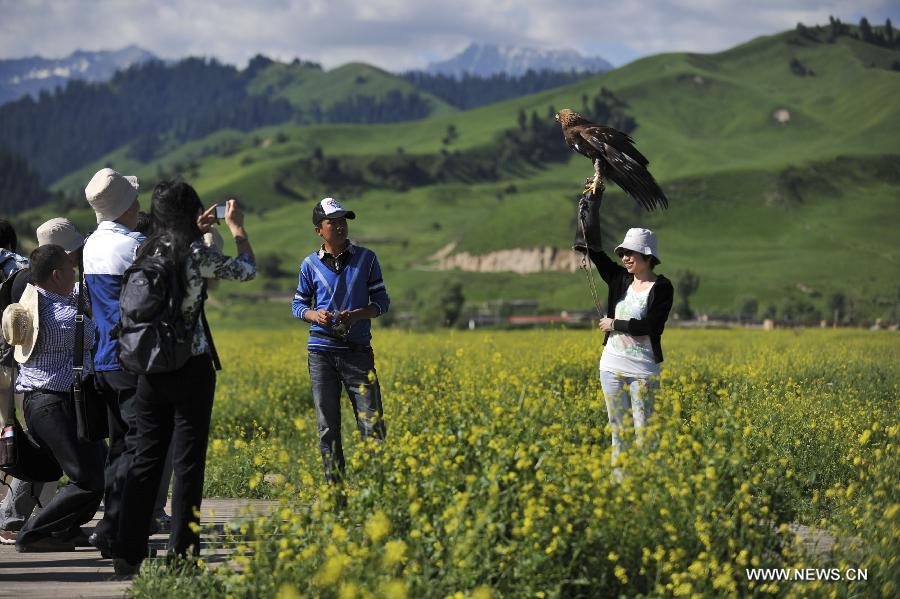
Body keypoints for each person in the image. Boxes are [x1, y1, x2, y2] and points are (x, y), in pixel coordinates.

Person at [113, 182, 255, 574]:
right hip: (190, 368)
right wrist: (238, 230)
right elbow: (245, 271)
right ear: (189, 212)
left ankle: (127, 553)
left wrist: (196, 227)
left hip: (149, 368)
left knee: (145, 460)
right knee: (187, 464)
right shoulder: (193, 254)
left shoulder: (146, 250)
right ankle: (181, 557)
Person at [5, 245, 105, 552]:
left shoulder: (38, 301)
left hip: (39, 403)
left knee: (99, 465)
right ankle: (33, 534)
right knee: (86, 478)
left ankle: (66, 529)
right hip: (55, 404)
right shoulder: (62, 320)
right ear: (57, 275)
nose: (75, 274)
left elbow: (76, 293)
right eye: (70, 269)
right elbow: (99, 334)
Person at [292, 197, 390, 483]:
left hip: (358, 352)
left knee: (372, 423)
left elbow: (382, 301)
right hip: (321, 353)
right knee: (327, 427)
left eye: (342, 221)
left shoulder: (367, 259)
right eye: (332, 222)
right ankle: (336, 494)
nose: (339, 227)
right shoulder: (309, 265)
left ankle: (376, 490)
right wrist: (314, 315)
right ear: (318, 230)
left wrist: (358, 315)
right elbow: (298, 305)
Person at [0, 219, 86, 544]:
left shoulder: (22, 274)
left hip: (24, 378)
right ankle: (17, 520)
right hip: (35, 381)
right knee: (48, 455)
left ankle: (21, 519)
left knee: (46, 453)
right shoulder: (33, 283)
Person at [580, 193, 673, 472]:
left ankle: (648, 492)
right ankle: (621, 491)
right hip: (611, 366)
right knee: (618, 435)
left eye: (630, 253)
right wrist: (590, 205)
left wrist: (614, 324)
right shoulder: (619, 278)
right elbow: (594, 250)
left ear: (647, 256)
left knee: (646, 436)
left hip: (643, 369)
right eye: (622, 253)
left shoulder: (662, 287)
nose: (625, 257)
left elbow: (652, 327)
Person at [81, 168, 145, 555]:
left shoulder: (90, 245)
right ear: (125, 207)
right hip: (131, 359)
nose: (140, 205)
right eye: (135, 200)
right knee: (140, 445)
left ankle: (112, 525)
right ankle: (119, 528)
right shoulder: (133, 246)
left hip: (103, 358)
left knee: (120, 446)